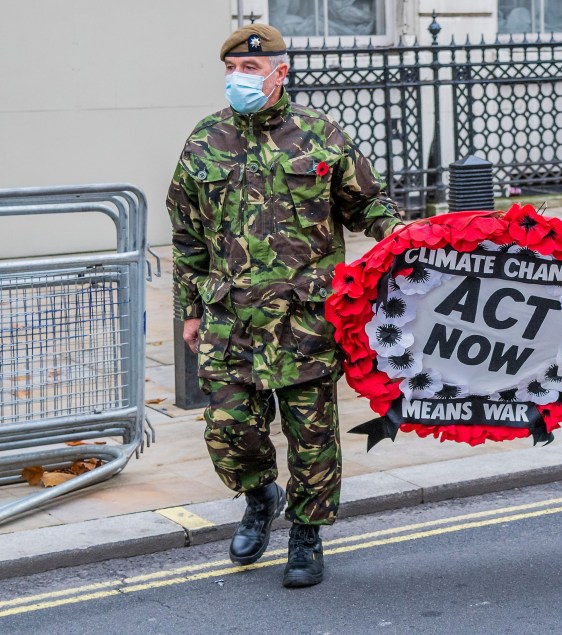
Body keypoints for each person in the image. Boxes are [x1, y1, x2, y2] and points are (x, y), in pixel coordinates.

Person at [167, 23, 404, 588]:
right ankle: (258, 496)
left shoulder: (321, 136)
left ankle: (306, 534)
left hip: (305, 319)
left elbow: (368, 205)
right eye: (231, 70)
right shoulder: (204, 139)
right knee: (228, 430)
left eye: (250, 69)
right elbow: (186, 235)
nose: (238, 79)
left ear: (281, 71)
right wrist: (190, 310)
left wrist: (410, 239)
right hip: (230, 319)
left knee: (311, 436)